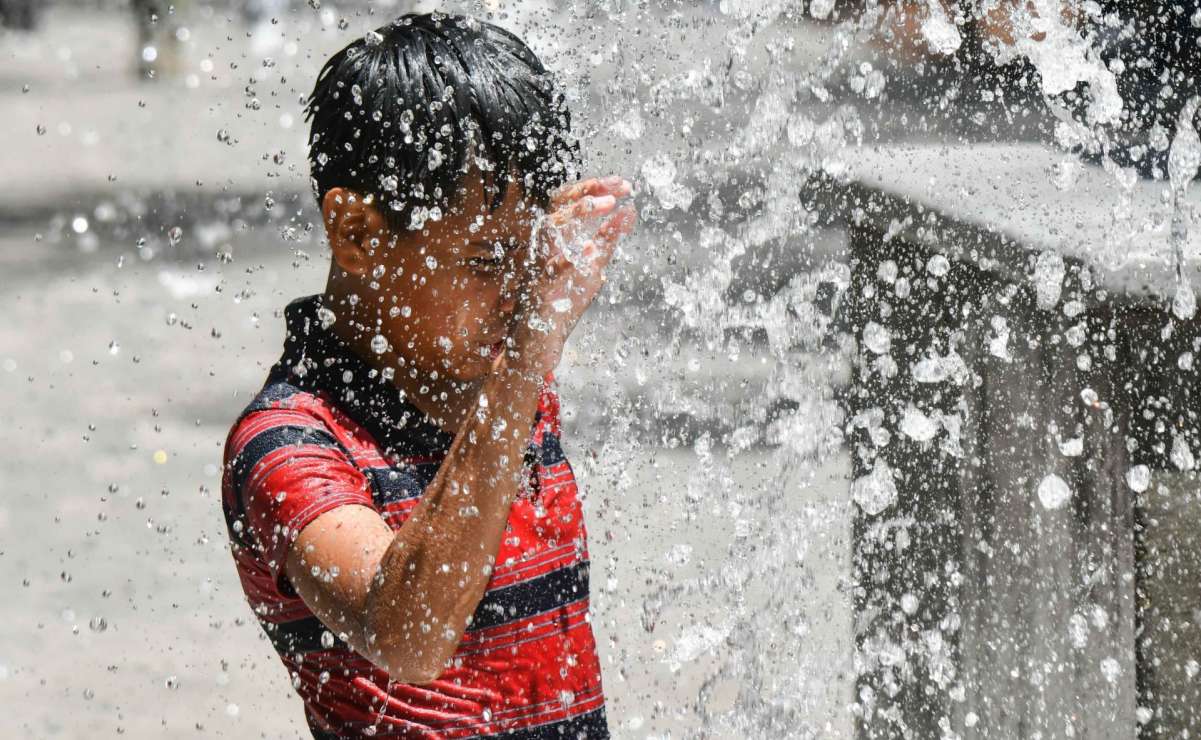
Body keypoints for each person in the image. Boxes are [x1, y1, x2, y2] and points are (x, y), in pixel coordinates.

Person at [219, 13, 636, 739]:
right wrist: (524, 356)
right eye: (484, 263)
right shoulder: (287, 445)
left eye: (532, 258)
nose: (523, 294)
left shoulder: (499, 388)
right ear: (355, 233)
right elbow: (407, 636)